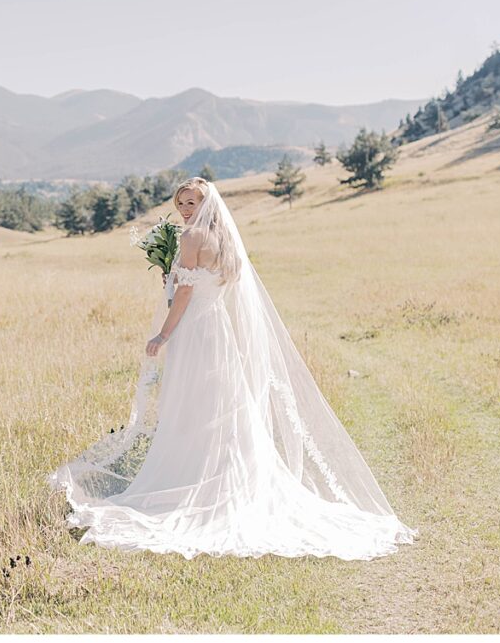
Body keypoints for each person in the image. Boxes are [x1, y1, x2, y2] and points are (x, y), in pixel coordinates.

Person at [47, 177, 419, 560]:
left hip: (193, 331)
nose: (186, 209)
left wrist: (162, 334)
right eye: (182, 202)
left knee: (192, 402)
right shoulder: (224, 239)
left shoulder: (192, 239)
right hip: (218, 331)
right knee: (218, 404)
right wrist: (175, 279)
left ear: (207, 204)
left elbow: (187, 294)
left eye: (193, 202)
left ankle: (192, 479)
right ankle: (222, 476)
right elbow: (212, 284)